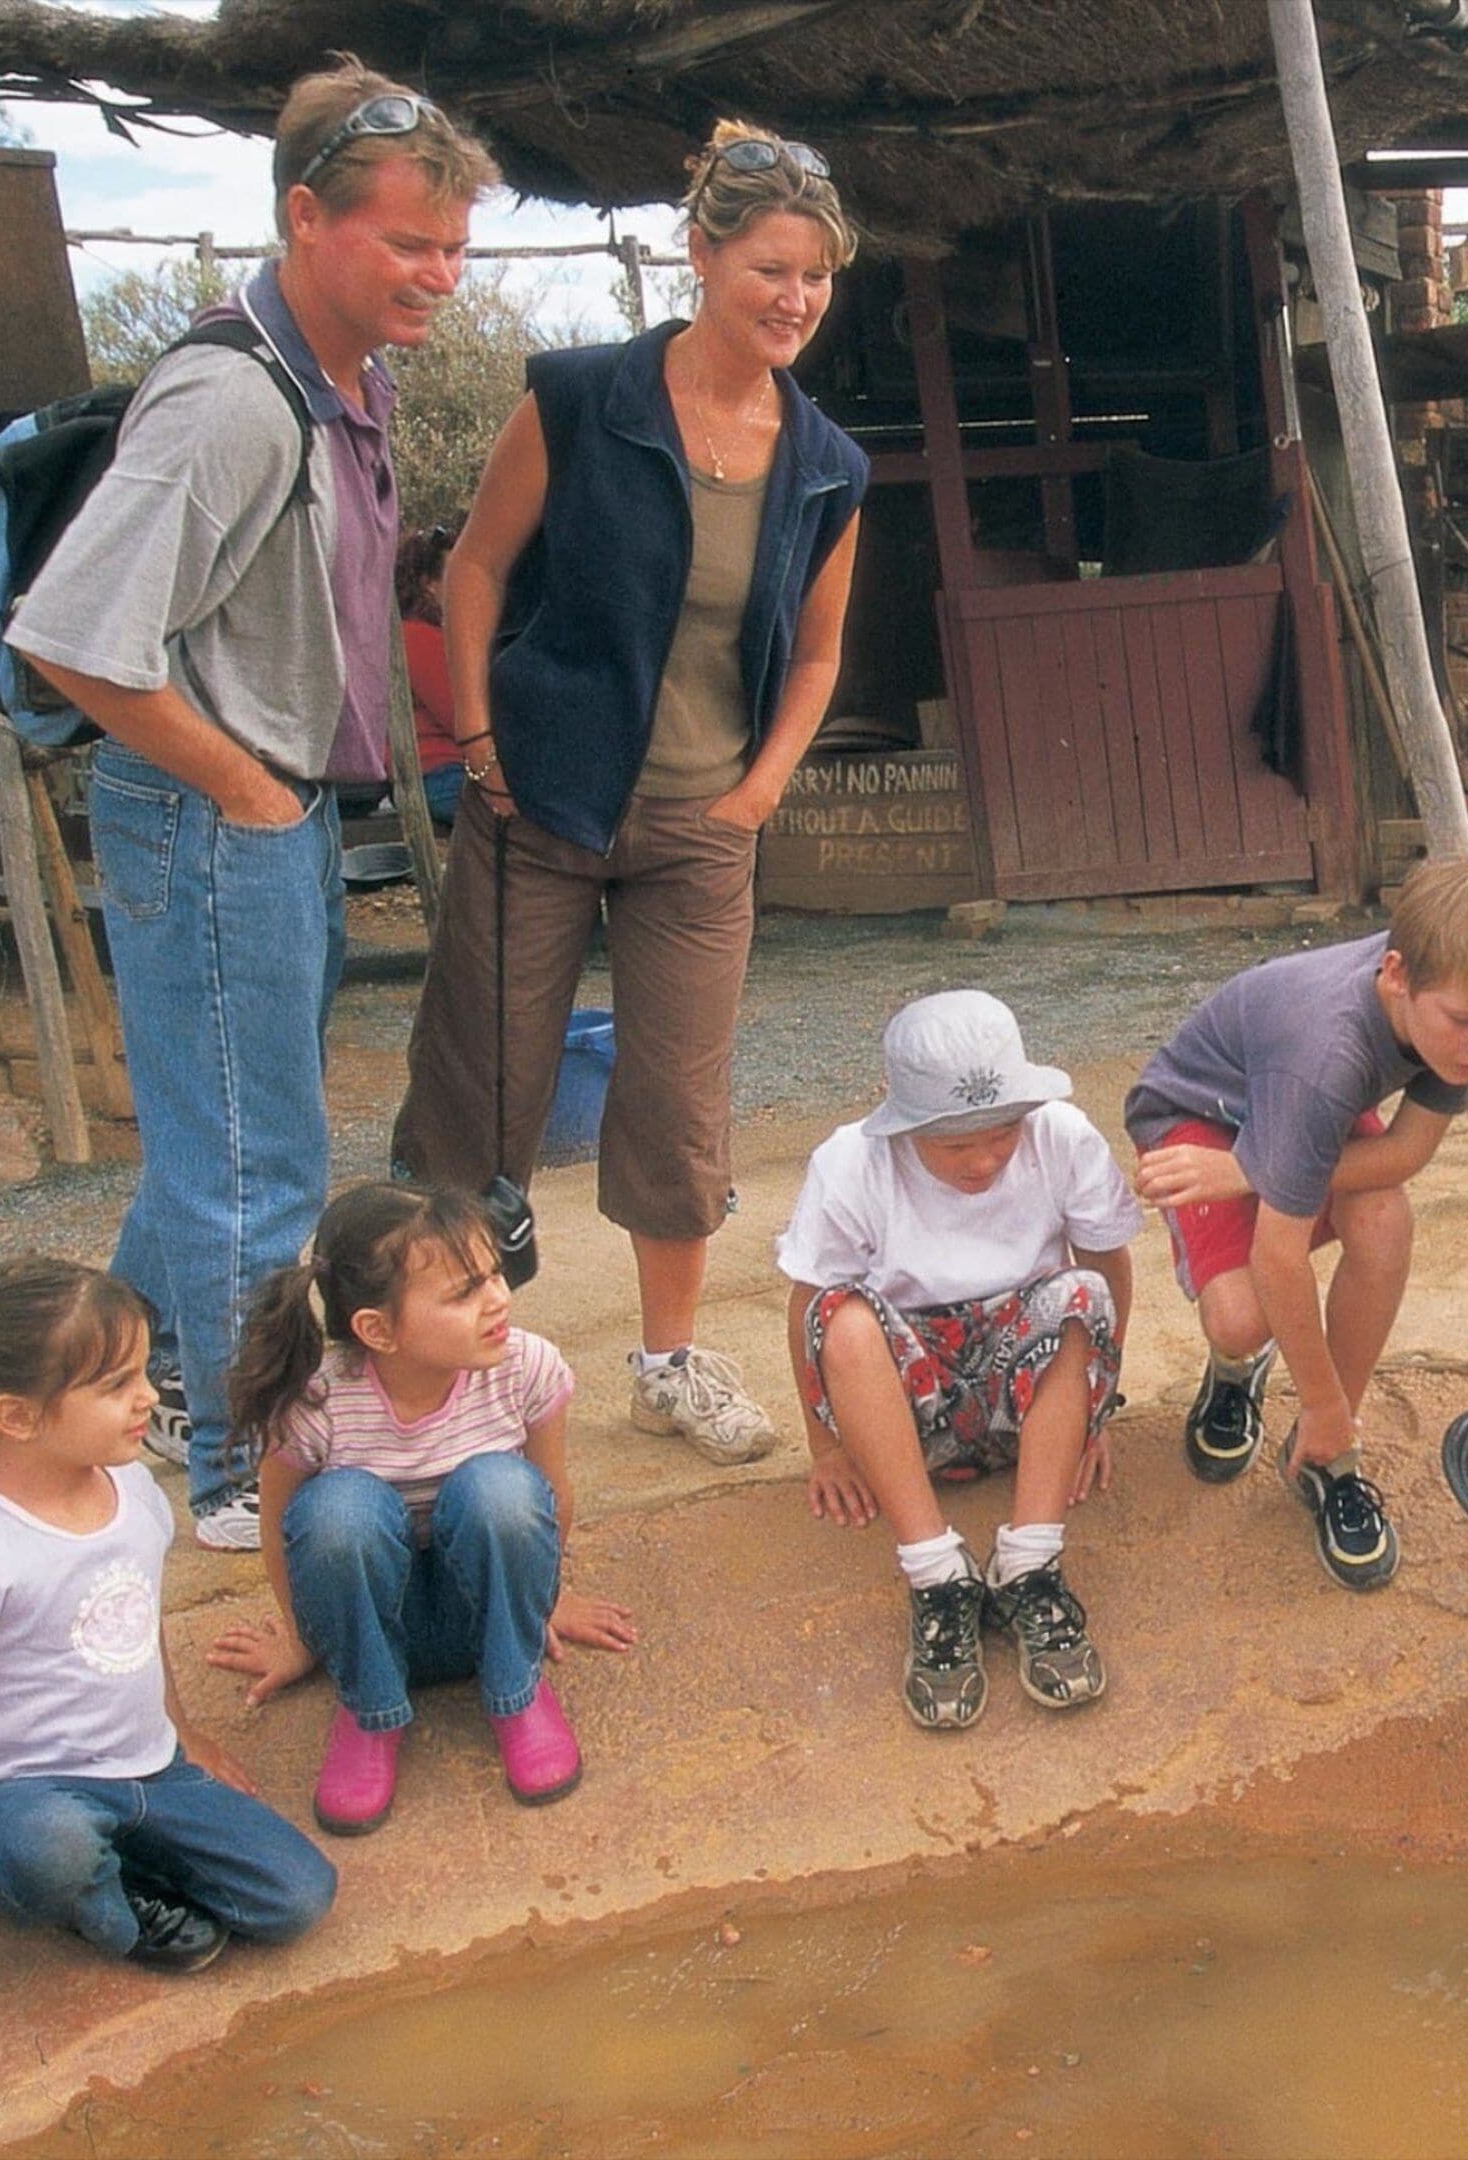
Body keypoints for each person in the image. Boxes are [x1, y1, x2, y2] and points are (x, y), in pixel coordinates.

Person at [11, 65, 497, 1551]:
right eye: (405, 242)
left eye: (453, 248)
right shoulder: (232, 399)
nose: (437, 274)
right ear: (304, 216)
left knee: (217, 1137)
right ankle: (236, 1469)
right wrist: (243, 788)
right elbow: (72, 636)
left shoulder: (349, 379)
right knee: (256, 1164)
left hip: (271, 804)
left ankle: (128, 1379)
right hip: (217, 806)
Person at [390, 122, 873, 1468]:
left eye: (817, 277)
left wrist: (757, 794)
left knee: (676, 1109)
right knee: (481, 1090)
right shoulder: (581, 398)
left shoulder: (827, 464)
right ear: (702, 255)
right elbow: (475, 567)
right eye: (770, 269)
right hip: (539, 801)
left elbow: (819, 651)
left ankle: (667, 1364)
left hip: (699, 829)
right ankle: (448, 1371)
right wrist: (480, 738)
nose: (794, 299)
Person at [0, 1258, 337, 1996]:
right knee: (45, 1845)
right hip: (23, 1790)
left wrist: (182, 1734)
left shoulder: (133, 1490)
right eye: (116, 1386)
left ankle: (99, 1864)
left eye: (143, 1373)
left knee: (298, 1897)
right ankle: (99, 1907)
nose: (149, 1398)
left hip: (148, 1771)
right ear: (17, 1416)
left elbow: (133, 1627)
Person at [1124, 855, 1468, 1592]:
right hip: (1204, 1110)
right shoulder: (1326, 1053)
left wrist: (1254, 1170)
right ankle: (1245, 1374)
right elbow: (1278, 1259)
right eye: (1464, 1022)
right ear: (1396, 976)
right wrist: (1313, 1396)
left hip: (1279, 1129)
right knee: (1242, 1320)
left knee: (1385, 1220)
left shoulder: (1458, 992)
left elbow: (1407, 1152)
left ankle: (1328, 1452)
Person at [205, 1183, 638, 1833]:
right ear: (377, 1330)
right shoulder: (318, 1402)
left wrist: (544, 1600)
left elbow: (552, 1495)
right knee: (338, 1512)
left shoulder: (525, 1367)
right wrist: (301, 1639)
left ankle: (516, 1694)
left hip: (481, 1621)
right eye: (464, 1293)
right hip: (373, 1630)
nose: (498, 1299)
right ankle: (371, 1714)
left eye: (493, 1274)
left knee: (503, 1489)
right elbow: (282, 1529)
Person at [781, 992, 1140, 1729]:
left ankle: (1030, 1561)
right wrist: (826, 1447)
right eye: (953, 1147)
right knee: (842, 1318)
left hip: (1025, 1405)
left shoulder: (1063, 1135)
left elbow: (1108, 1265)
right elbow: (808, 1305)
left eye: (1003, 1133)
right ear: (906, 1126)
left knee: (1080, 1294)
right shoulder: (850, 1163)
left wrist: (1093, 1414)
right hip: (909, 1420)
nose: (983, 1160)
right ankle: (936, 1572)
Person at [398, 523, 464, 830]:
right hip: (440, 774)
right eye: (457, 574)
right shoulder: (420, 637)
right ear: (428, 585)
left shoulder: (435, 634)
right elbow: (459, 716)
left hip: (447, 771)